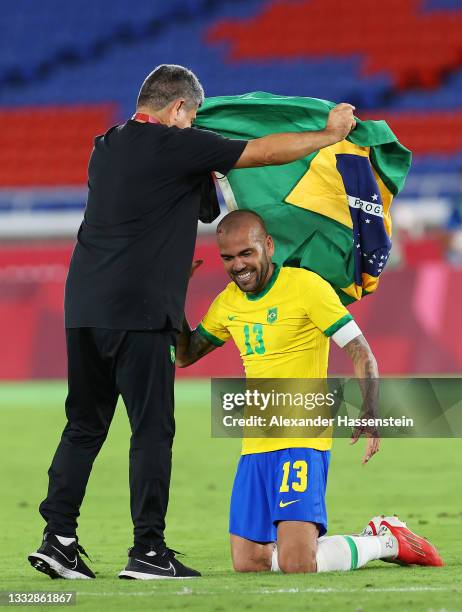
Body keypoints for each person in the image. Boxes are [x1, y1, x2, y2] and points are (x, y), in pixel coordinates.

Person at [28, 64, 358, 581]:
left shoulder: (106, 145)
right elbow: (262, 152)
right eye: (195, 115)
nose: (196, 124)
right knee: (152, 431)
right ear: (179, 108)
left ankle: (58, 540)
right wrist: (330, 133)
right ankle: (148, 551)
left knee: (84, 425)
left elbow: (174, 205)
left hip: (84, 308)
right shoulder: (177, 145)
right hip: (140, 314)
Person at [176, 210, 443, 573]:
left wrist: (370, 410)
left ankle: (385, 540)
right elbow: (187, 354)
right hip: (255, 444)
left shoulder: (305, 287)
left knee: (298, 564)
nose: (238, 265)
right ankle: (354, 542)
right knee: (249, 562)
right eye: (228, 257)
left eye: (246, 253)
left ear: (267, 245)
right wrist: (173, 296)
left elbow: (360, 349)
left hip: (302, 437)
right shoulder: (228, 303)